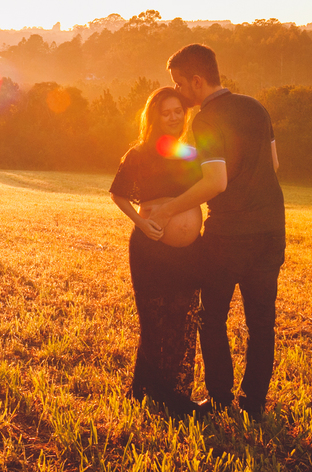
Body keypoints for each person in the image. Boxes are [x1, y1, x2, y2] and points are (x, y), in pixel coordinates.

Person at [149, 43, 285, 419]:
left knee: (212, 318)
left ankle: (221, 399)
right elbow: (273, 164)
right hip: (272, 229)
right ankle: (253, 404)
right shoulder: (257, 108)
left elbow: (216, 181)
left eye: (180, 83)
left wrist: (168, 209)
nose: (179, 91)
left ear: (197, 80)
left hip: (229, 235)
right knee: (262, 323)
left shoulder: (206, 118)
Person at [109, 87, 204, 416]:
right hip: (149, 248)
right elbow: (118, 194)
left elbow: (205, 188)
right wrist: (141, 223)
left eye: (178, 111)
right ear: (155, 116)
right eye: (167, 112)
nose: (174, 117)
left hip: (188, 254)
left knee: (182, 321)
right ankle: (152, 393)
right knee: (154, 321)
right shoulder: (139, 153)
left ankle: (172, 394)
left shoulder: (189, 153)